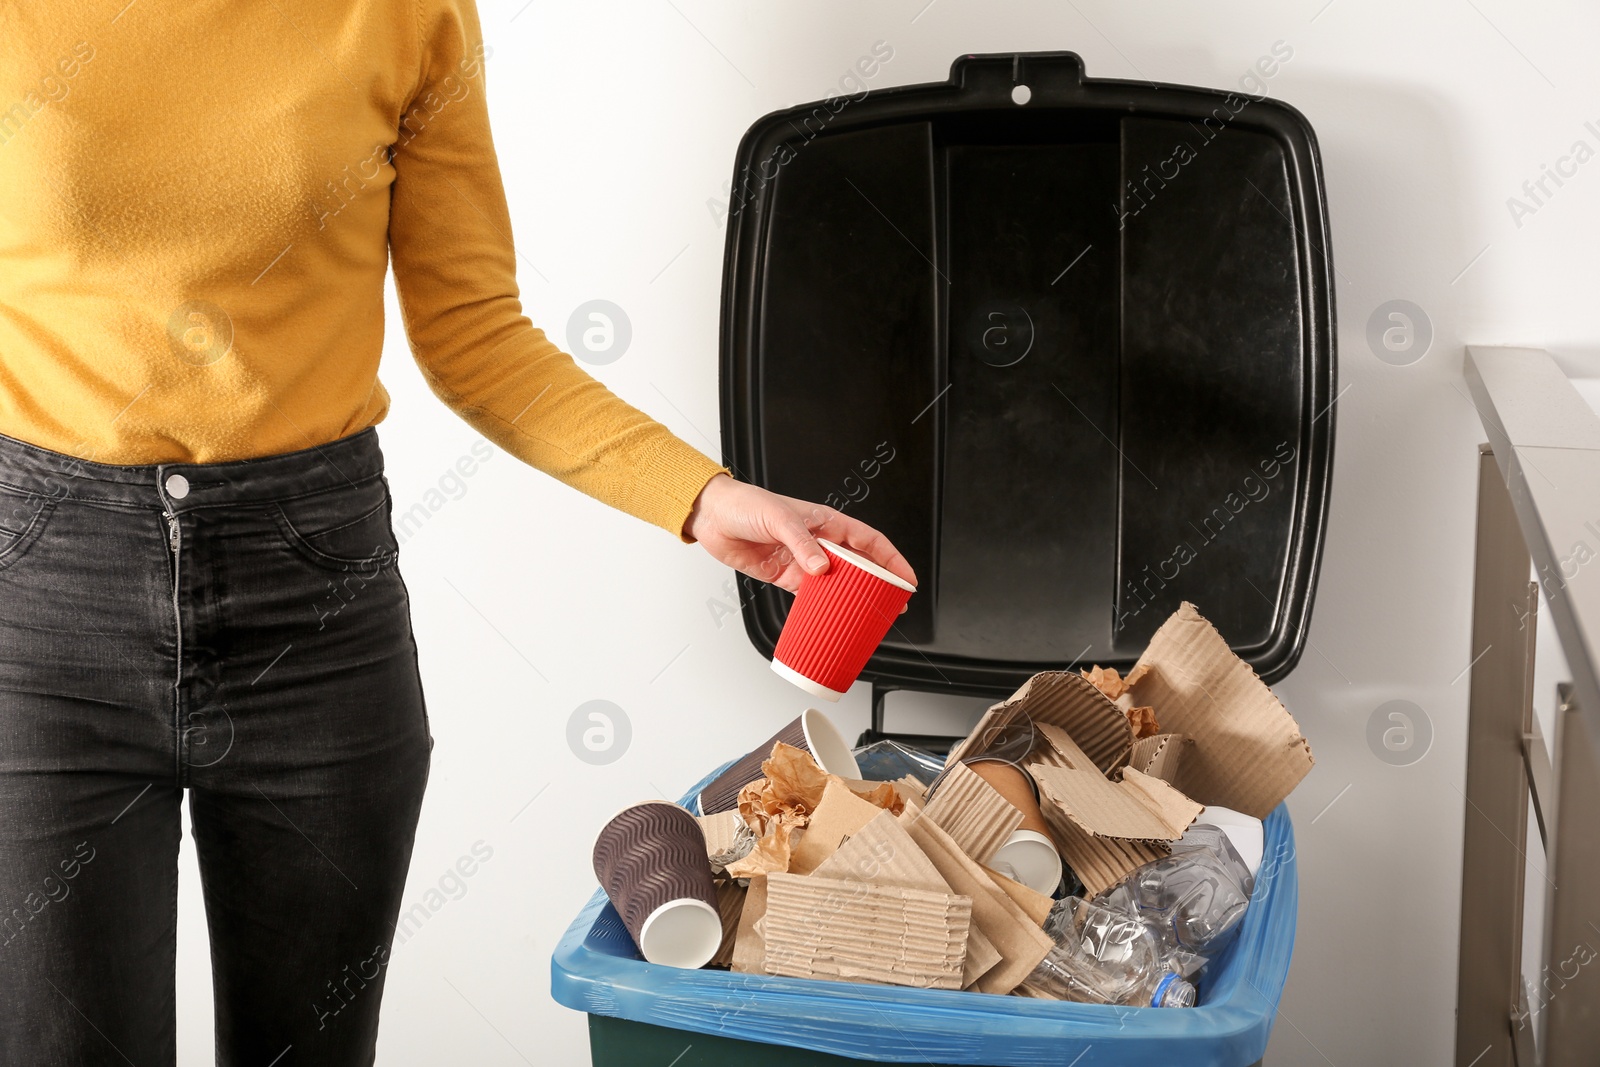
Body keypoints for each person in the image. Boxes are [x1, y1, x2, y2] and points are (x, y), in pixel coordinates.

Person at [0, 2, 913, 1063]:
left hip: (314, 596)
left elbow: (475, 333)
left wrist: (703, 498)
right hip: (46, 598)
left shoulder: (400, 14)